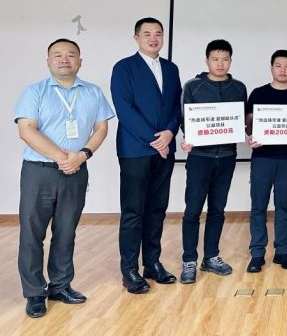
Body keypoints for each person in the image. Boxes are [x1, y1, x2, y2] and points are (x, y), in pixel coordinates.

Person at [15, 39, 114, 318]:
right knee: (32, 234)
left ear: (80, 61)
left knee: (66, 232)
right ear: (48, 61)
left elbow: (101, 128)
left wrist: (82, 155)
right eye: (57, 55)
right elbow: (27, 130)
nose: (64, 59)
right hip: (39, 172)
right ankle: (35, 293)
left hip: (76, 171)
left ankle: (60, 285)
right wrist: (63, 157)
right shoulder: (34, 91)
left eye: (71, 55)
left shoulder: (93, 92)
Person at [111, 17, 182, 294]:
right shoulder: (124, 67)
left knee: (157, 208)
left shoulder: (171, 68)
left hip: (165, 148)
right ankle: (129, 269)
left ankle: (152, 263)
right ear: (136, 38)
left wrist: (170, 132)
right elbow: (124, 109)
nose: (153, 38)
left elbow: (176, 106)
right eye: (147, 34)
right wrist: (155, 140)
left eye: (158, 34)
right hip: (135, 149)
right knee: (133, 211)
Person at [178, 39, 247, 284]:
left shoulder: (238, 87)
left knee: (217, 209)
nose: (220, 64)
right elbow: (185, 119)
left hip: (227, 157)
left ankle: (211, 257)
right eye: (215, 59)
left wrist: (248, 132)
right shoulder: (193, 86)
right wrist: (188, 137)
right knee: (193, 210)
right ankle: (189, 260)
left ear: (231, 61)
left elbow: (241, 120)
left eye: (225, 59)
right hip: (200, 157)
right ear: (207, 60)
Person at [245, 49, 287, 273]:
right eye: (278, 65)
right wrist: (251, 132)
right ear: (271, 67)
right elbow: (248, 124)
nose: (283, 70)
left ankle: (282, 251)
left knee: (283, 206)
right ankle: (257, 253)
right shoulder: (258, 93)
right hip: (262, 158)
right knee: (258, 206)